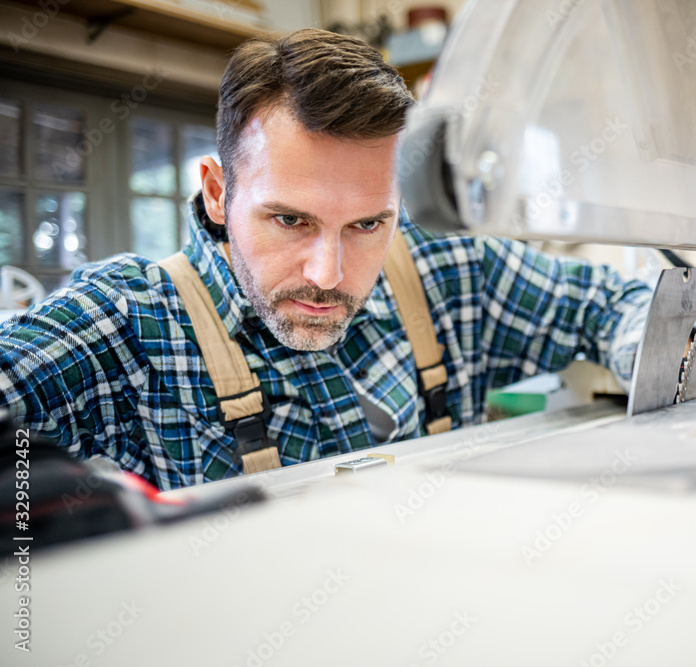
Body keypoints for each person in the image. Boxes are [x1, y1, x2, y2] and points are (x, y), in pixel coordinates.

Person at [0, 29, 651, 490]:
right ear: (219, 192)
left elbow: (616, 303)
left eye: (368, 223)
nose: (328, 274)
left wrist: (663, 347)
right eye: (290, 219)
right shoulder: (133, 322)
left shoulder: (450, 273)